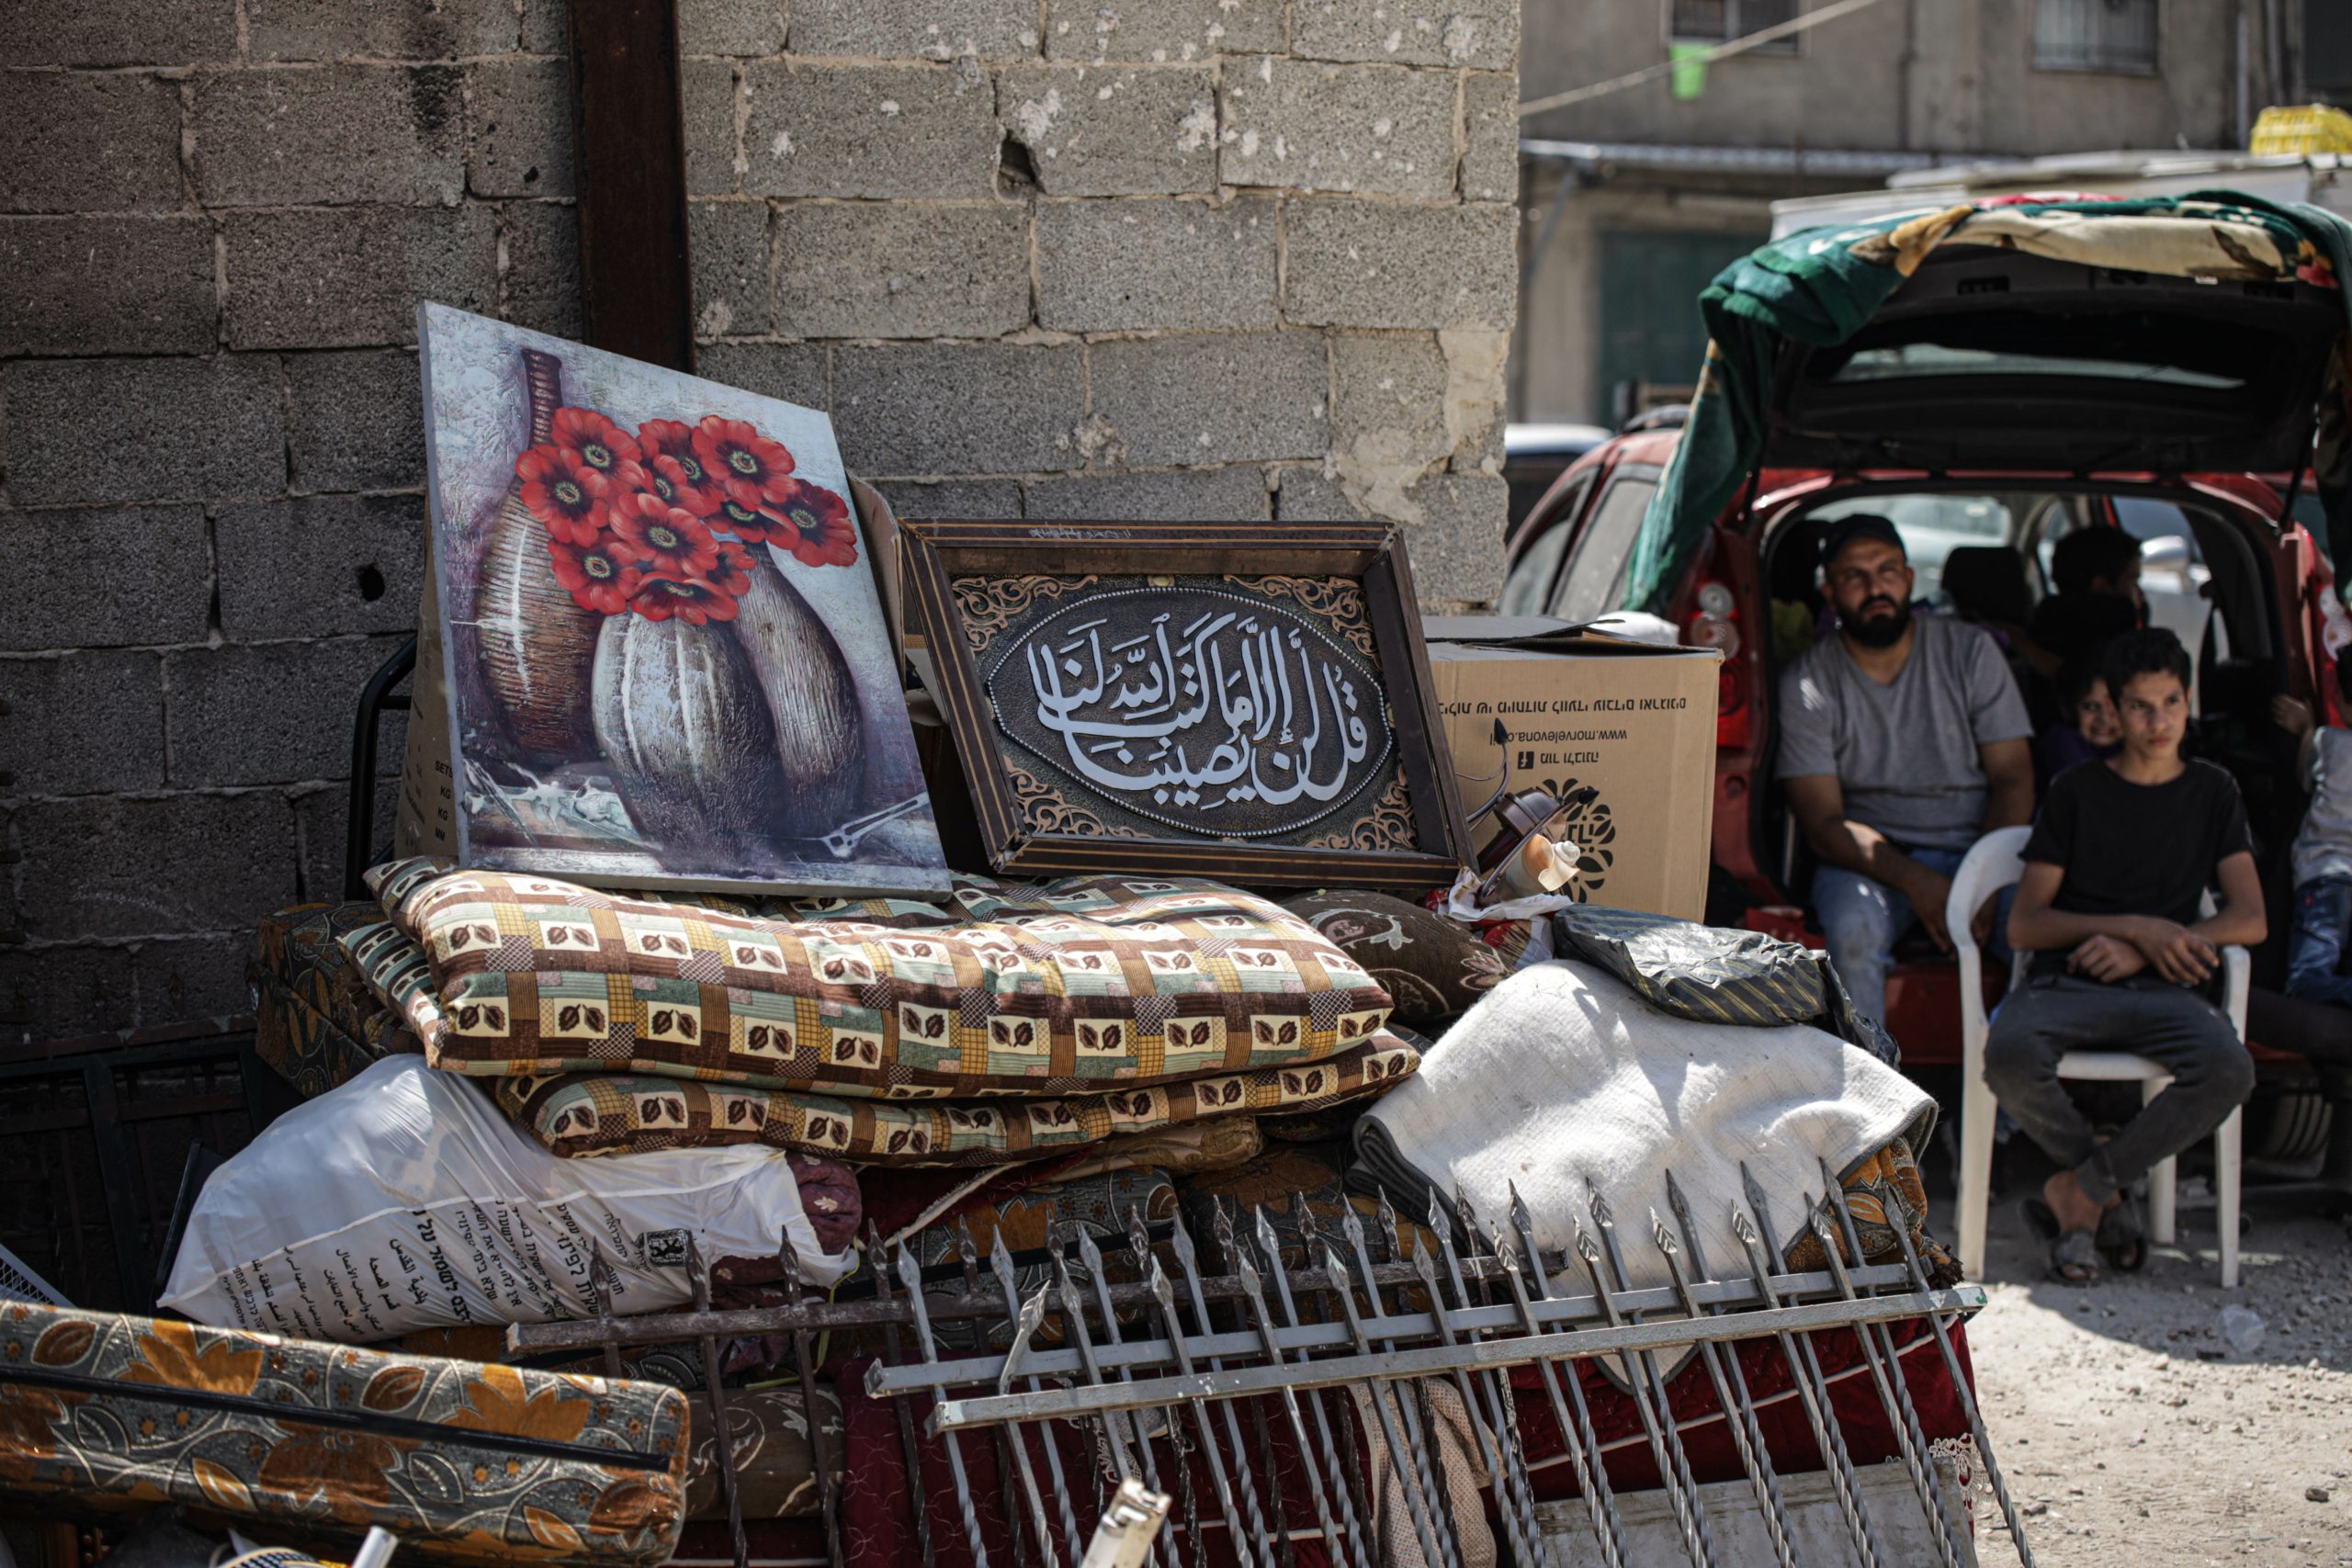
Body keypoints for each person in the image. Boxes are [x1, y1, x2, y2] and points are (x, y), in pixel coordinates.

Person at [1988, 628, 2264, 1283]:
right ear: (2113, 709)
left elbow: (2250, 917)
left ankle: (2081, 1192)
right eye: (2140, 706)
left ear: (2189, 701)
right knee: (2009, 1056)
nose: (2158, 721)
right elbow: (2025, 924)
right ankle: (2106, 1198)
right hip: (2069, 983)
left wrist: (2154, 948)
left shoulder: (2214, 790)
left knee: (2229, 1069)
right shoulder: (2076, 790)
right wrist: (2138, 928)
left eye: (2171, 703)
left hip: (2167, 988)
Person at [1780, 515, 2037, 1025]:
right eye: (1855, 576)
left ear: (1910, 578)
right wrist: (1919, 882)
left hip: (1981, 846)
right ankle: (1871, 1078)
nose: (1875, 587)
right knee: (1852, 933)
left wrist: (1982, 879)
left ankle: (2019, 1079)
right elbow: (1823, 824)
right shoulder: (1808, 681)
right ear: (1830, 592)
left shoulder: (1971, 652)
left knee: (2040, 937)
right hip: (1871, 864)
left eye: (1887, 570)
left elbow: (2014, 777)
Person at [2272, 668, 2352, 1006]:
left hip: (2325, 877)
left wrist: (2306, 729)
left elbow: (2304, 777)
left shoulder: (2327, 742)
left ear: (2341, 700)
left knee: (2305, 982)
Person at [2025, 527, 2145, 672]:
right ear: (2101, 586)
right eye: (2132, 580)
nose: (2139, 593)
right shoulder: (2115, 642)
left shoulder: (2042, 628)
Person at [2035, 655, 2122, 794]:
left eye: (2114, 707)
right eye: (2091, 707)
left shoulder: (2125, 743)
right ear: (2067, 709)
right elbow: (2089, 794)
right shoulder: (2061, 740)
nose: (2105, 719)